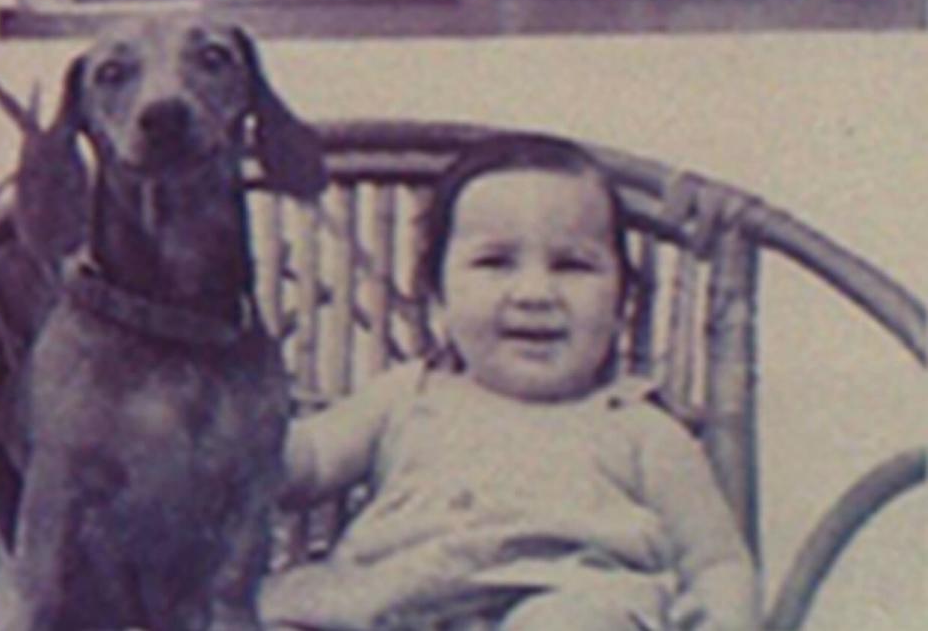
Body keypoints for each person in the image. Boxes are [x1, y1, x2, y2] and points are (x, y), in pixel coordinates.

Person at [260, 134, 757, 630]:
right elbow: (305, 461)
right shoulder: (407, 395)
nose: (535, 292)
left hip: (564, 595)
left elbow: (718, 561)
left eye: (572, 265)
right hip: (388, 603)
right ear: (438, 295)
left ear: (621, 302)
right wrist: (220, 428)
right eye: (495, 262)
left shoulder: (640, 429)